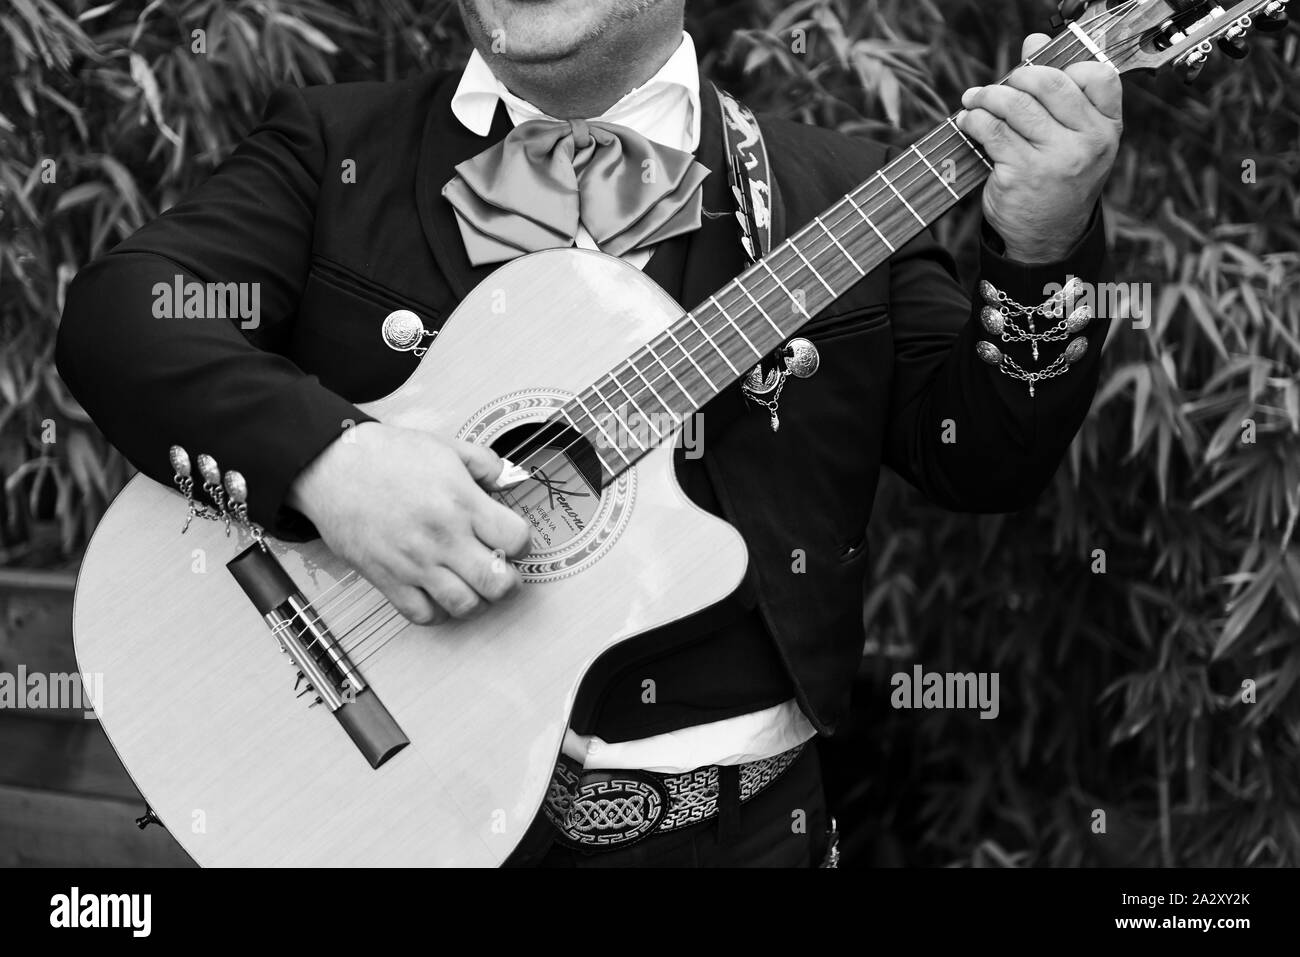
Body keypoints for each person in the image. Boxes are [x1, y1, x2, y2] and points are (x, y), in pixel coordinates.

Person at [56, 0, 1122, 867]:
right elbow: (121, 318)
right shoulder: (336, 143)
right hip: (401, 811)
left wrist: (1042, 250)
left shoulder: (838, 191)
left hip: (743, 837)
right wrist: (332, 460)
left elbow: (984, 456)